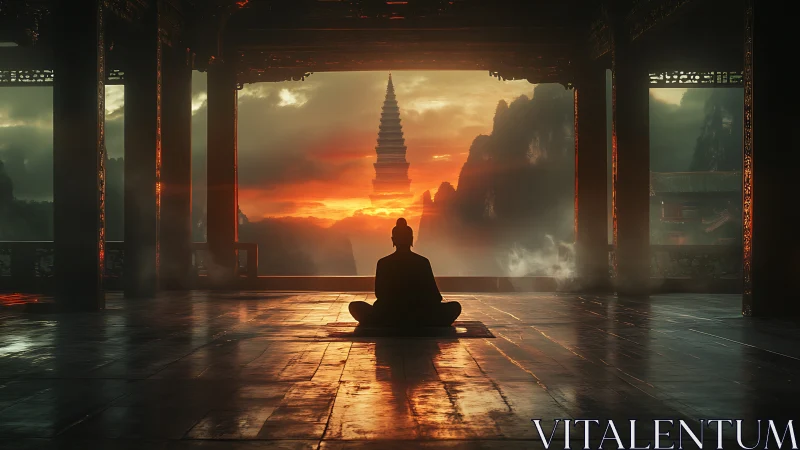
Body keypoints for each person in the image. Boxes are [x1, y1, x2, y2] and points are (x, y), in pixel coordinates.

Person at [349, 218, 462, 327]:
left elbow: (380, 294)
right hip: (420, 315)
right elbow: (434, 296)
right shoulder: (422, 262)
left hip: (389, 315)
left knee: (355, 306)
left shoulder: (383, 263)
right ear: (411, 239)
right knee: (454, 307)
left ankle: (389, 322)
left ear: (393, 240)